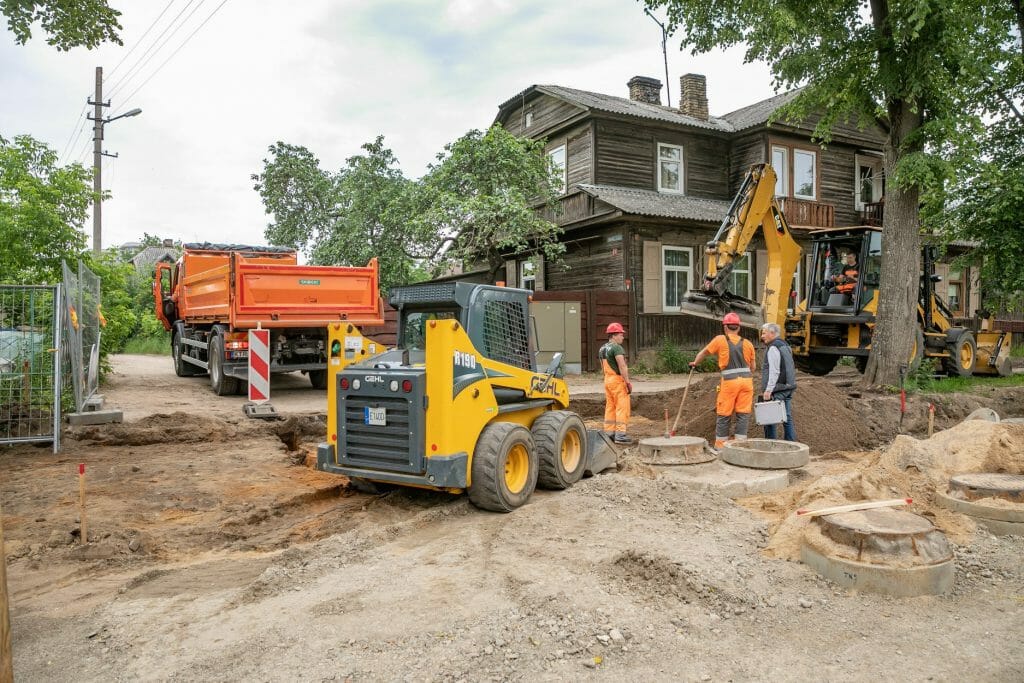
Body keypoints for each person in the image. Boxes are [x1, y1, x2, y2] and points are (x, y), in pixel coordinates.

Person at [690, 312, 756, 449]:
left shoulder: (720, 340)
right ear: (739, 328)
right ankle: (740, 445)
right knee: (743, 414)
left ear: (725, 327)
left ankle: (720, 447)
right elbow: (753, 367)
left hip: (730, 383)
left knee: (724, 413)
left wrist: (695, 363)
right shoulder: (748, 344)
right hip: (747, 383)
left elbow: (703, 353)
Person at [759, 323, 797, 441]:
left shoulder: (773, 347)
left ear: (772, 333)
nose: (762, 336)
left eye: (764, 333)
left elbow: (774, 370)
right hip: (789, 386)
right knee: (787, 417)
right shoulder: (785, 344)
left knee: (770, 419)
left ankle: (771, 445)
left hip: (778, 388)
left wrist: (769, 390)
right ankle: (791, 444)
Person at [599, 322, 632, 445]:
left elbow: (602, 367)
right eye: (620, 334)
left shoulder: (602, 348)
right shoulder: (617, 348)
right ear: (613, 335)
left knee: (610, 407)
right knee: (622, 407)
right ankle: (620, 434)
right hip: (617, 381)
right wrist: (627, 382)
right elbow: (622, 365)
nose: (623, 337)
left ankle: (609, 433)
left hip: (607, 380)